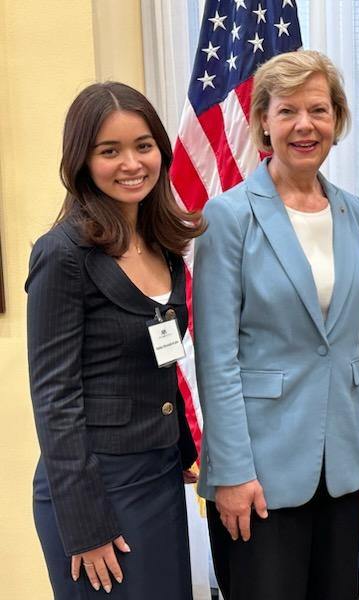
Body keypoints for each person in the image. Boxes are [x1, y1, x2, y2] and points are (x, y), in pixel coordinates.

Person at [193, 50, 359, 600]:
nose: (304, 125)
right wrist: (232, 473)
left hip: (339, 463)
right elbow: (216, 357)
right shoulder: (228, 216)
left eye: (318, 109)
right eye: (287, 110)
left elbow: (350, 340)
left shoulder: (353, 211)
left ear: (335, 120)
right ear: (263, 122)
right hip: (259, 473)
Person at [26, 81, 205, 598]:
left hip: (158, 476)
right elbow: (54, 399)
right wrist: (86, 525)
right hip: (95, 490)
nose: (131, 163)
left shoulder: (163, 244)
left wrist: (184, 448)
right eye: (110, 151)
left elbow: (162, 356)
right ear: (83, 160)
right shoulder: (62, 254)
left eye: (143, 146)